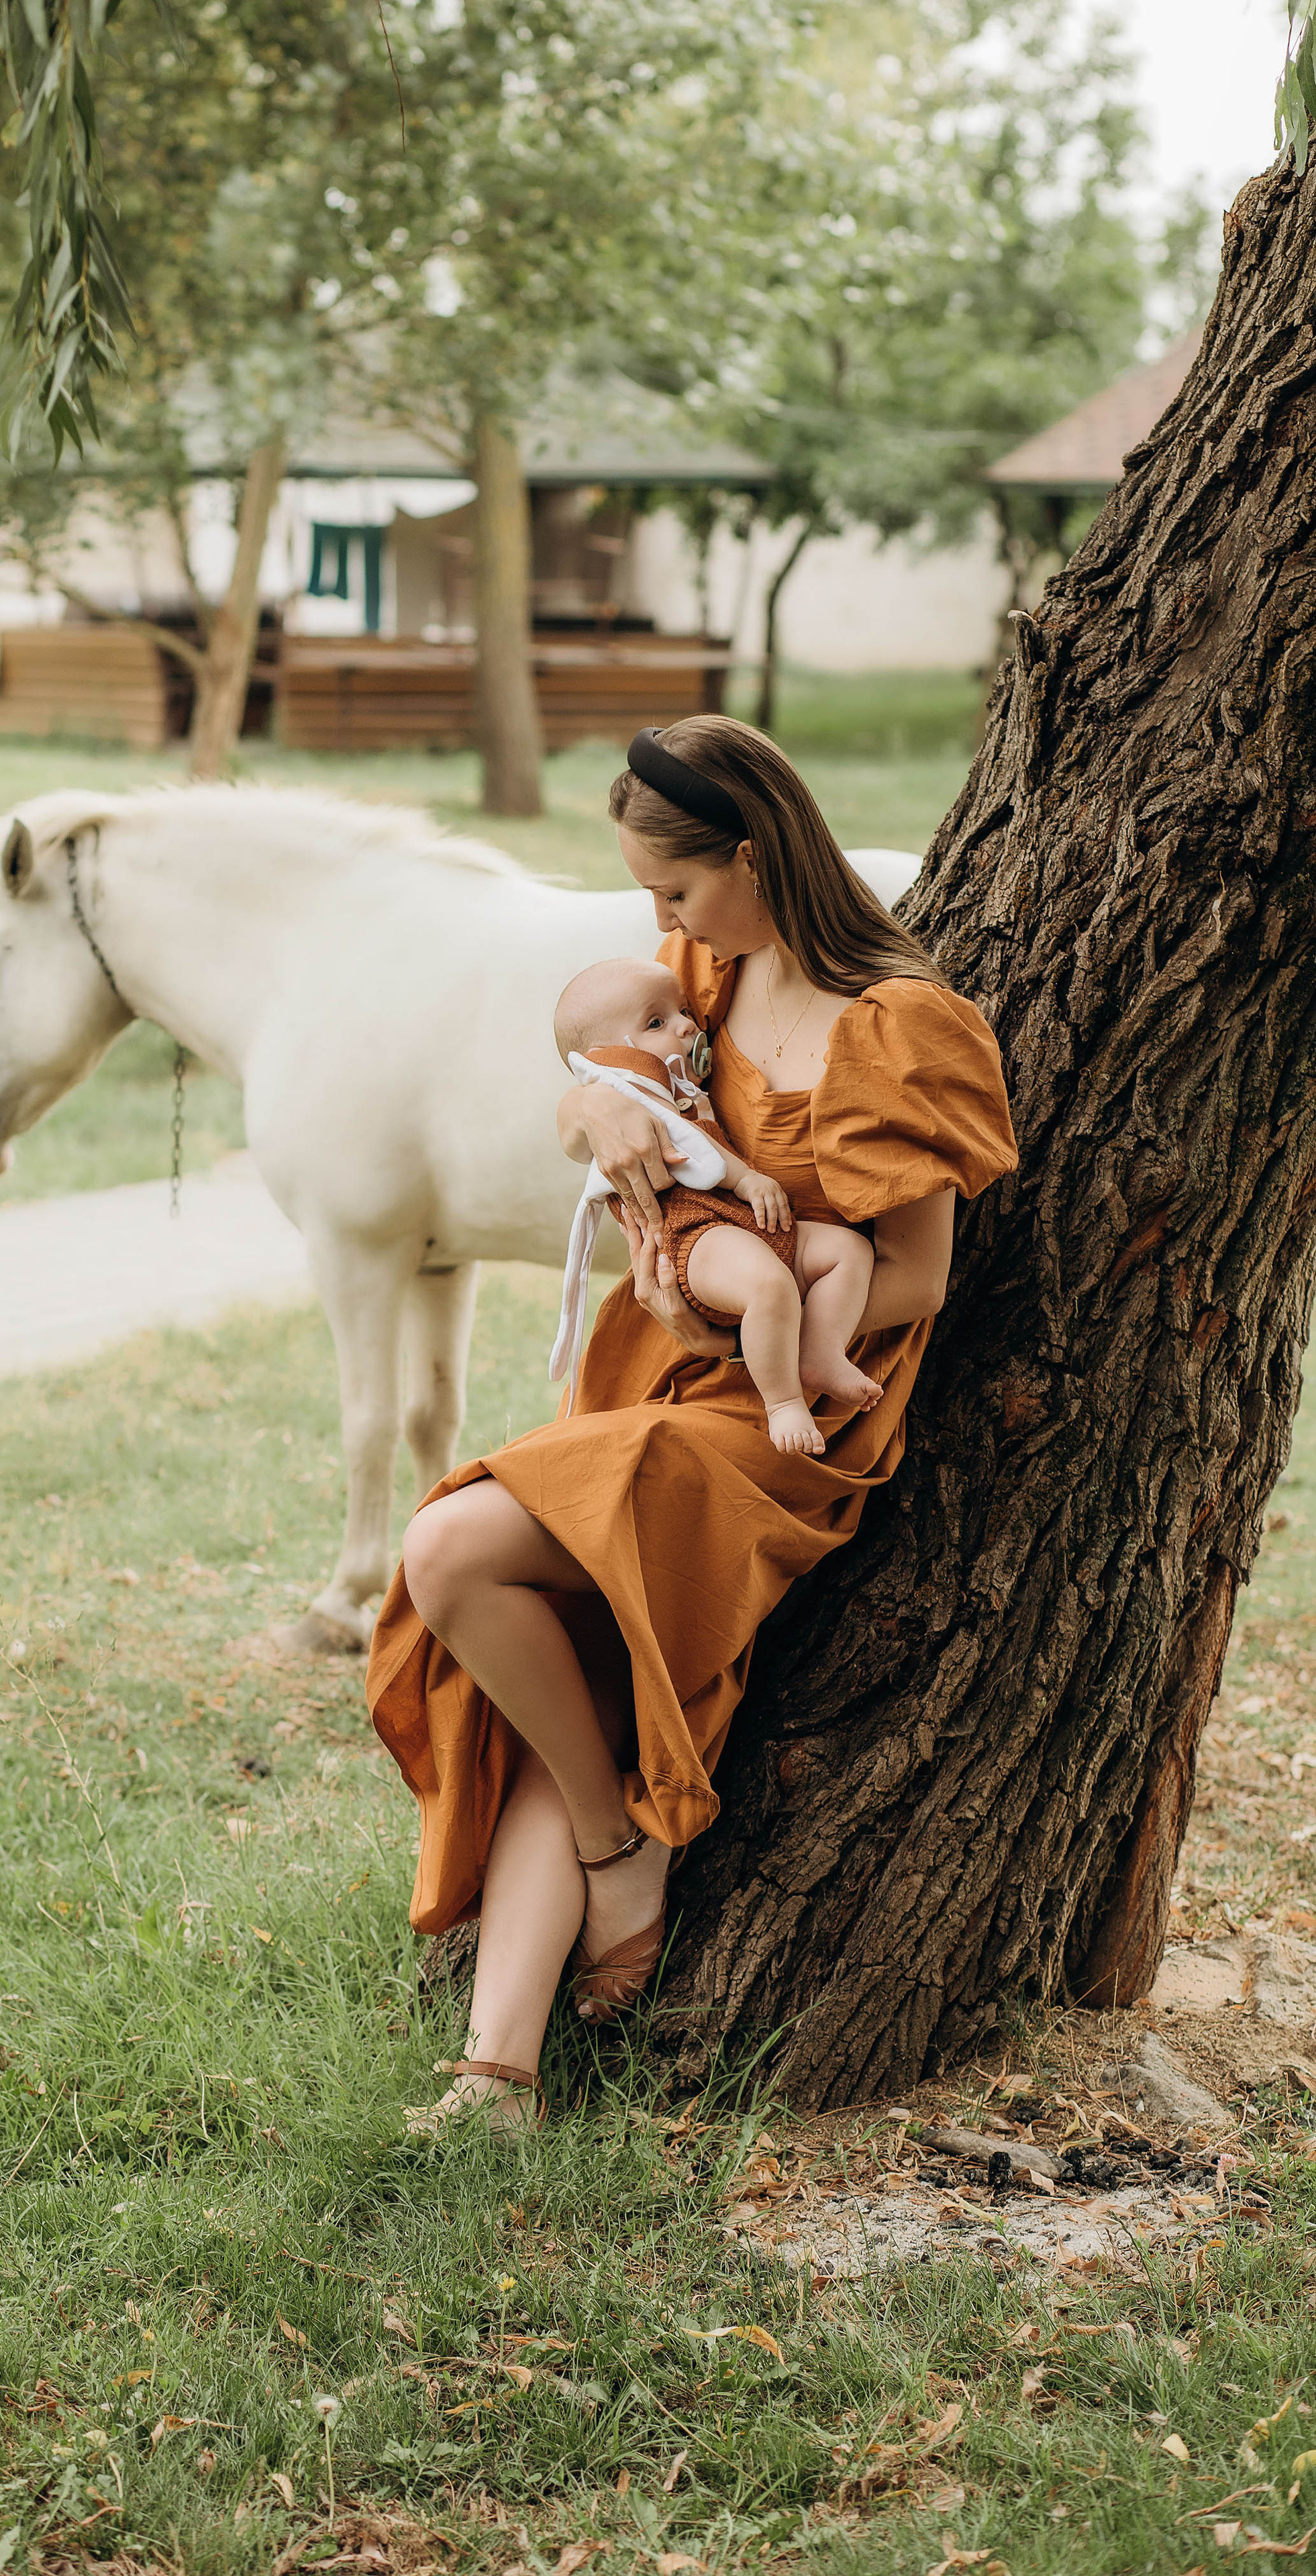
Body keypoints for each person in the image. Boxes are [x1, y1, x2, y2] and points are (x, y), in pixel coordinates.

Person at [367, 716, 1017, 2133]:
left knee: (454, 1553)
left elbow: (912, 1276)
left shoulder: (899, 1024)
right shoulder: (703, 975)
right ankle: (497, 2070)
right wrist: (582, 1121)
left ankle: (615, 1848)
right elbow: (617, 1086)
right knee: (572, 1676)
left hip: (796, 1409)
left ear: (751, 852)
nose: (662, 927)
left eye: (674, 891)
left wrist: (729, 1310)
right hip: (652, 1378)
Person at [549, 954, 880, 1454]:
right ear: (614, 1055)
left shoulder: (678, 1087)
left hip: (743, 1227)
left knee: (849, 1253)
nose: (686, 1026)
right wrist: (746, 1179)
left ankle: (820, 1349)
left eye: (683, 1010)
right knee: (768, 1285)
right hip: (692, 1236)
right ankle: (784, 1403)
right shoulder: (631, 1095)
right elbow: (692, 1154)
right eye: (657, 1023)